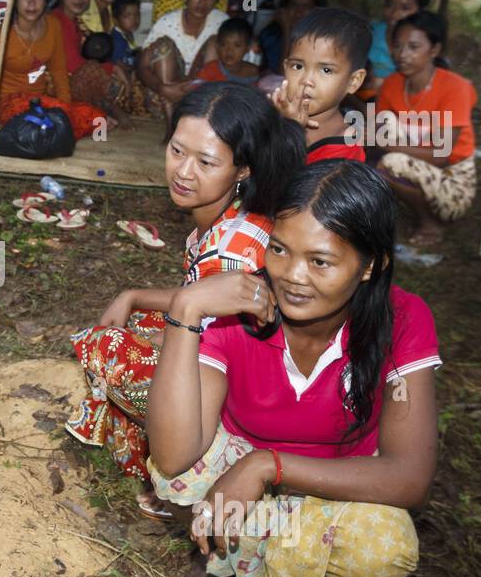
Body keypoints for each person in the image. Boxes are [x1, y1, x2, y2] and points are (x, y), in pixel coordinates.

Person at [144, 160, 440, 577]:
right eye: (279, 249)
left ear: (369, 265)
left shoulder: (403, 318)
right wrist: (186, 309)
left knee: (385, 549)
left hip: (337, 477)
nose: (292, 277)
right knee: (181, 476)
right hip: (235, 471)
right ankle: (215, 561)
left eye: (321, 262)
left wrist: (266, 465)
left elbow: (409, 476)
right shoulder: (239, 304)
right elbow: (173, 455)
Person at [67, 83, 305, 515]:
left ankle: (184, 471)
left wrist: (146, 338)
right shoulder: (237, 219)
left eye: (206, 161)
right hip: (246, 369)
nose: (183, 171)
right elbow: (198, 299)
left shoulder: (230, 251)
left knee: (106, 346)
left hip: (242, 401)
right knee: (144, 322)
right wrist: (135, 295)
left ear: (243, 170)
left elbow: (209, 342)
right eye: (177, 151)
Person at [374, 12, 477, 246]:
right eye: (398, 45)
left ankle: (430, 223)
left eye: (413, 47)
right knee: (385, 124)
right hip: (415, 161)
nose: (402, 54)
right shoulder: (392, 84)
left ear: (434, 50)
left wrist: (391, 146)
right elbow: (378, 130)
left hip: (453, 181)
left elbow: (441, 156)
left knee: (390, 164)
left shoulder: (454, 88)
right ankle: (403, 195)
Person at [0, 0, 103, 147]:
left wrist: (65, 107)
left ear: (46, 0)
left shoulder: (53, 25)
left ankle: (50, 134)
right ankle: (50, 134)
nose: (32, 4)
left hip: (40, 101)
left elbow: (58, 71)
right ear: (14, 0)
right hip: (7, 105)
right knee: (45, 124)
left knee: (97, 118)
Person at [270, 8, 372, 165]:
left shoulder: (346, 151)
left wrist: (291, 133)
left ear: (354, 81)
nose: (306, 80)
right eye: (297, 66)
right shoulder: (274, 115)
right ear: (285, 67)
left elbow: (287, 186)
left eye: (326, 70)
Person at [49, 0, 135, 129]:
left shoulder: (76, 22)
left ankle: (103, 112)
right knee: (93, 72)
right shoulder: (56, 21)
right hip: (56, 84)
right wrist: (113, 68)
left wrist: (114, 67)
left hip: (74, 81)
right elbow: (74, 65)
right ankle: (109, 111)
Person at [137, 0, 228, 119]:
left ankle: (187, 112)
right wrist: (162, 88)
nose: (202, 1)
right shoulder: (167, 22)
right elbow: (141, 66)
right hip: (163, 97)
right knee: (163, 44)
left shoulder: (222, 23)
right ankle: (172, 113)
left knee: (215, 42)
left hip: (203, 99)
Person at [364, 0, 431, 95]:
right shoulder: (368, 33)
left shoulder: (427, 46)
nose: (394, 13)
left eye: (405, 8)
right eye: (389, 5)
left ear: (421, 10)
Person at [258, 0, 327, 74]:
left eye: (306, 7)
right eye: (294, 5)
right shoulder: (271, 36)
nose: (298, 12)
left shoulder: (325, 40)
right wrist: (287, 31)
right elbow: (283, 74)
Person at [197, 18, 260, 86]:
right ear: (217, 47)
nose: (229, 51)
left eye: (237, 46)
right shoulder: (209, 70)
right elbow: (196, 92)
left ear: (247, 48)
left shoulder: (254, 73)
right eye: (223, 45)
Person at [110, 0, 141, 69]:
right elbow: (117, 62)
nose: (134, 19)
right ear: (115, 20)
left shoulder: (128, 33)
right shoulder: (117, 39)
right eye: (127, 16)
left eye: (137, 14)